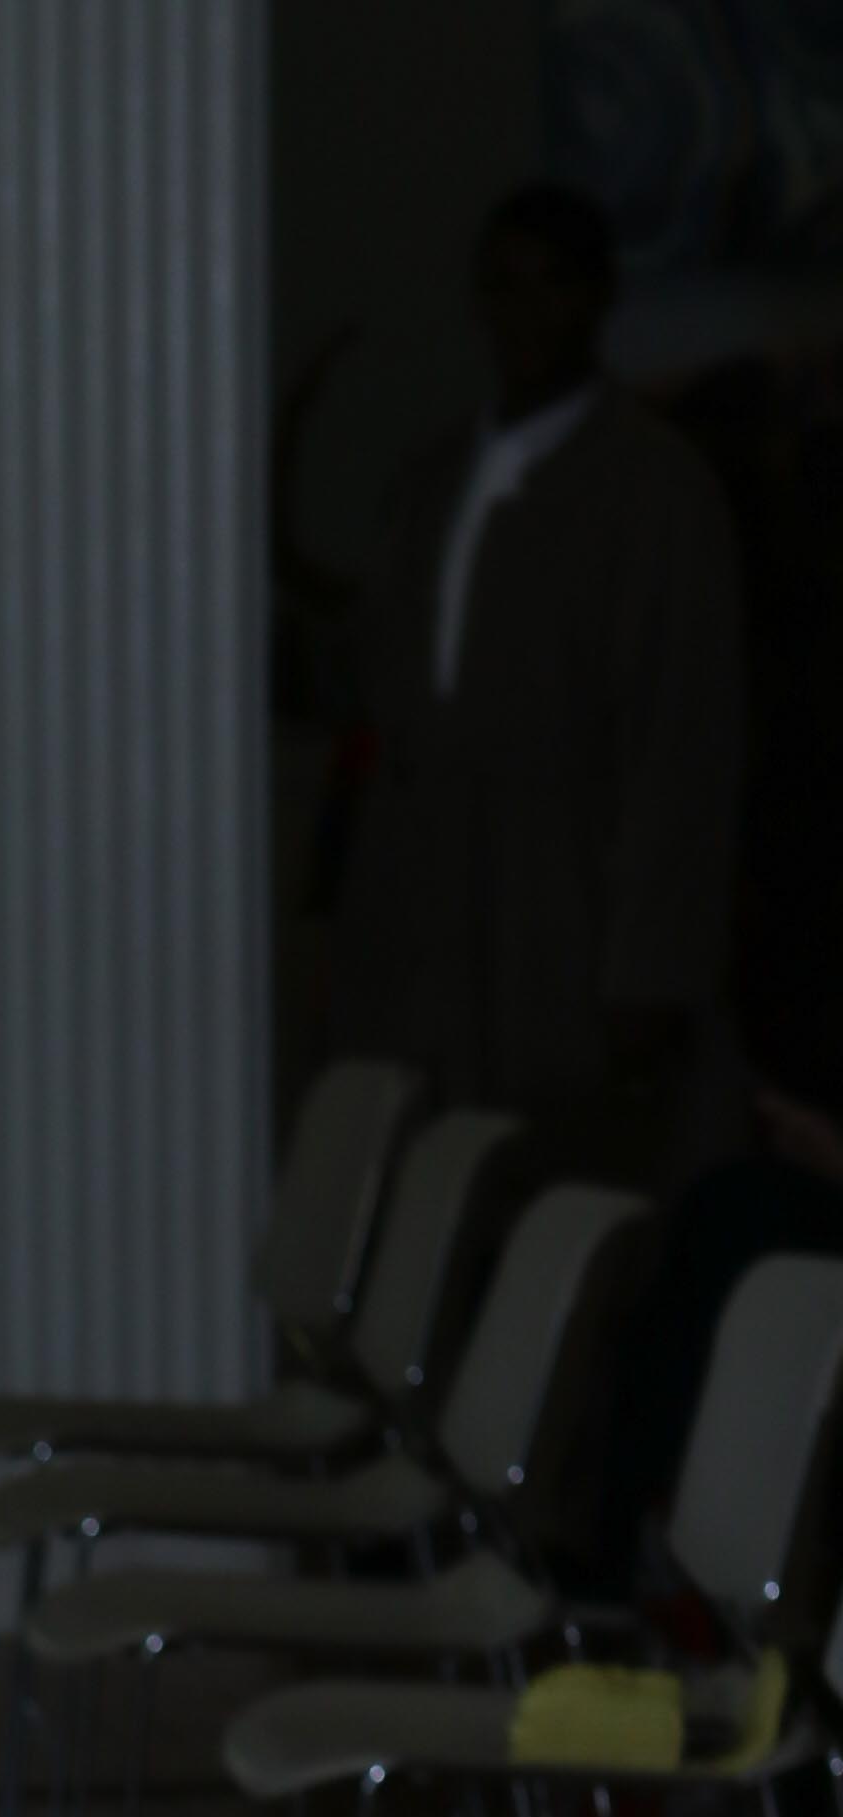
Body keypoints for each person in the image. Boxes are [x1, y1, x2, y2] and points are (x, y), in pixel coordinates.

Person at [329, 181, 747, 1183]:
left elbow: (684, 748)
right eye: (502, 286)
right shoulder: (429, 479)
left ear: (597, 297)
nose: (524, 314)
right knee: (417, 1204)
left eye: (550, 285)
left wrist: (648, 974)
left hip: (562, 936)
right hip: (422, 937)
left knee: (559, 1212)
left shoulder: (655, 493)